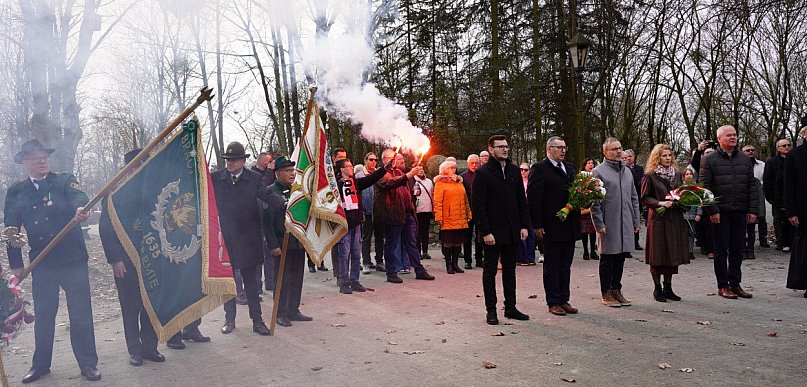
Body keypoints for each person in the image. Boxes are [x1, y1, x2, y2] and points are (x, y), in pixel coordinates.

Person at [3, 139, 101, 382]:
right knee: (45, 315)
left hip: (72, 259)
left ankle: (88, 364)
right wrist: (16, 263)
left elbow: (80, 196)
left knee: (80, 313)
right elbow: (12, 229)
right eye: (35, 156)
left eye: (44, 155)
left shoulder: (64, 180)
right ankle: (41, 365)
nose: (42, 159)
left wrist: (81, 209)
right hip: (42, 262)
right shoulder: (16, 192)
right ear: (25, 162)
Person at [99, 149, 166, 367]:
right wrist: (115, 259)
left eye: (142, 166)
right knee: (131, 306)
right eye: (136, 167)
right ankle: (134, 350)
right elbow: (106, 230)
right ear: (128, 169)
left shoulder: (156, 191)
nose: (139, 170)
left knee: (151, 304)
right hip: (125, 260)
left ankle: (150, 347)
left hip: (153, 256)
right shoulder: (114, 194)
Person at [213, 141, 272, 335]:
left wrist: (283, 204)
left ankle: (257, 321)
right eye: (227, 160)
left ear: (242, 161)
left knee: (251, 283)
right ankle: (229, 320)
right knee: (229, 284)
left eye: (234, 160)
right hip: (226, 239)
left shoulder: (254, 178)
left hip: (248, 238)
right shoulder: (216, 178)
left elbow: (265, 194)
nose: (230, 163)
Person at [472, 134, 531, 325]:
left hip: (513, 230)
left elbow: (521, 200)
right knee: (490, 271)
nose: (505, 149)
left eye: (506, 146)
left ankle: (511, 307)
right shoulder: (483, 173)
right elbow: (478, 206)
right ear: (491, 149)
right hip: (492, 233)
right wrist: (485, 231)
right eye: (500, 147)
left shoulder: (514, 170)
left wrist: (523, 225)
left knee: (510, 270)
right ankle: (491, 310)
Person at [700, 125, 758, 299]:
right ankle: (723, 285)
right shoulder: (709, 160)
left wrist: (752, 210)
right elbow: (704, 188)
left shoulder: (744, 159)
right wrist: (712, 210)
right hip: (720, 213)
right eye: (729, 135)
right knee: (721, 250)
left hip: (740, 211)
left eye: (735, 135)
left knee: (737, 249)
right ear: (719, 139)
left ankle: (735, 283)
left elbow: (752, 187)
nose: (733, 137)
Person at [527, 136, 581, 316]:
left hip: (569, 225)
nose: (563, 150)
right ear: (549, 149)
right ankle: (553, 301)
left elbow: (578, 192)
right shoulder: (540, 169)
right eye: (559, 147)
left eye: (565, 147)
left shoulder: (571, 168)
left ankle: (564, 299)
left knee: (565, 264)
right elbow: (534, 199)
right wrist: (537, 225)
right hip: (551, 225)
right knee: (552, 265)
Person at [264, 156, 315, 326]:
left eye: (293, 170)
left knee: (296, 277)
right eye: (287, 171)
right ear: (278, 174)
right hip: (281, 241)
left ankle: (293, 309)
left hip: (297, 240)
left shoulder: (297, 190)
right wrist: (273, 244)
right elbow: (267, 221)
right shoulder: (270, 191)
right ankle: (280, 313)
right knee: (282, 279)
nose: (292, 174)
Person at [591, 137, 641, 308]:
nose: (619, 152)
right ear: (605, 152)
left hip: (625, 220)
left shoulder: (627, 171)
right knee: (607, 257)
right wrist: (599, 224)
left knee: (620, 257)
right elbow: (594, 201)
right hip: (608, 221)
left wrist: (636, 220)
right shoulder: (598, 172)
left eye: (620, 148)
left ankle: (616, 289)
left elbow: (634, 197)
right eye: (614, 149)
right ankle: (606, 292)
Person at [374, 150, 435, 283]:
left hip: (407, 213)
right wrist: (409, 175)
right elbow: (390, 183)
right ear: (384, 159)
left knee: (412, 243)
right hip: (393, 214)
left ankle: (419, 270)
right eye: (393, 158)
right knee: (392, 244)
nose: (396, 161)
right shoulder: (380, 173)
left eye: (397, 158)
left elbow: (404, 187)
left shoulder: (400, 172)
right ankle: (391, 272)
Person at [640, 144, 691, 302]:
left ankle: (668, 287)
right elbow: (645, 198)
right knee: (658, 254)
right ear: (657, 158)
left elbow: (680, 193)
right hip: (658, 221)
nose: (668, 158)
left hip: (674, 219)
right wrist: (660, 203)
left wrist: (684, 201)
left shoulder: (676, 175)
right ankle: (657, 289)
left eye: (669, 155)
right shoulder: (649, 176)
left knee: (672, 254)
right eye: (664, 156)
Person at [334, 158, 388, 294]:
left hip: (356, 223)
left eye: (352, 166)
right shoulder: (336, 185)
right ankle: (343, 282)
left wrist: (384, 168)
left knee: (356, 255)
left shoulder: (356, 183)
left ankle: (355, 281)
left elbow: (371, 178)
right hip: (343, 225)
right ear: (342, 169)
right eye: (349, 166)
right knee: (344, 255)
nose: (352, 168)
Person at [433, 159, 471, 274]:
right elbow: (437, 202)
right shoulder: (440, 183)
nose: (453, 170)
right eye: (451, 168)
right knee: (449, 241)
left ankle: (455, 264)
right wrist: (439, 217)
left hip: (460, 216)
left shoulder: (459, 182)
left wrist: (468, 213)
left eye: (454, 168)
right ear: (444, 170)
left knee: (458, 241)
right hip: (448, 217)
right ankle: (449, 265)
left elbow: (465, 200)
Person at [785, 120, 807, 297]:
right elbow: (788, 185)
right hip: (803, 207)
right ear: (804, 134)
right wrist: (791, 211)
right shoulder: (795, 155)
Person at [357, 152, 386, 272]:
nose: (373, 162)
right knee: (366, 238)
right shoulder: (359, 176)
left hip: (379, 211)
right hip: (366, 211)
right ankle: (366, 262)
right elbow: (358, 195)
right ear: (365, 160)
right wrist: (361, 210)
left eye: (375, 160)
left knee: (380, 237)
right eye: (371, 159)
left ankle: (379, 261)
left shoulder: (380, 174)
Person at [764, 138, 793, 253]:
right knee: (778, 220)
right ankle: (781, 242)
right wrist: (770, 197)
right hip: (777, 196)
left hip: (792, 195)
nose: (787, 147)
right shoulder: (772, 162)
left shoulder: (794, 159)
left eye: (788, 145)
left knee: (791, 219)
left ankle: (792, 242)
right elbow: (767, 180)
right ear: (778, 148)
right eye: (784, 145)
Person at [742, 145, 768, 253]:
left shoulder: (762, 164)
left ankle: (761, 240)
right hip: (743, 194)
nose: (750, 152)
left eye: (752, 150)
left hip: (758, 192)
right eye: (747, 150)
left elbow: (766, 179)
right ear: (742, 152)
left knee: (760, 218)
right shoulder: (739, 163)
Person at [460, 154, 484, 269]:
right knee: (467, 237)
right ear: (468, 164)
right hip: (467, 211)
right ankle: (467, 260)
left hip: (480, 211)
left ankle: (479, 259)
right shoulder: (463, 177)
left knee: (480, 236)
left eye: (476, 163)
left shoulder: (483, 176)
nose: (474, 165)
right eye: (472, 163)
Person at [624, 149, 645, 252]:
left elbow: (640, 181)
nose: (628, 158)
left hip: (637, 197)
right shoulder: (622, 169)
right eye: (626, 157)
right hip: (626, 198)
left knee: (636, 219)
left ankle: (636, 241)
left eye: (630, 156)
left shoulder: (639, 169)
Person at [518, 162, 538, 265]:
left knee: (531, 233)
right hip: (520, 210)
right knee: (521, 233)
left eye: (526, 170)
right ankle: (523, 258)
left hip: (530, 210)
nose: (523, 172)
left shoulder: (532, 182)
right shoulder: (517, 182)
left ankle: (530, 257)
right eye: (521, 169)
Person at [413, 166, 435, 261]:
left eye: (422, 169)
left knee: (425, 231)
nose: (421, 171)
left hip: (427, 209)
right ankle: (418, 252)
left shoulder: (429, 181)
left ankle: (425, 251)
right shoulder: (413, 180)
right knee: (417, 232)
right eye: (418, 169)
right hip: (417, 210)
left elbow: (432, 194)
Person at [579, 158, 599, 261]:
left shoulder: (596, 176)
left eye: (592, 163)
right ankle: (585, 251)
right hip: (583, 204)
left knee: (593, 230)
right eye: (588, 163)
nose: (591, 165)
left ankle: (593, 251)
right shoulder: (580, 176)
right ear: (584, 165)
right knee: (584, 230)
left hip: (593, 203)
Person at [682, 166, 701, 262]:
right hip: (683, 215)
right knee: (683, 233)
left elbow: (700, 202)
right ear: (683, 176)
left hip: (693, 215)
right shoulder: (680, 188)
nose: (688, 176)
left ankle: (690, 251)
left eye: (690, 174)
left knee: (691, 233)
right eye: (687, 174)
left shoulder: (696, 188)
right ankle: (683, 251)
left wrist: (698, 214)